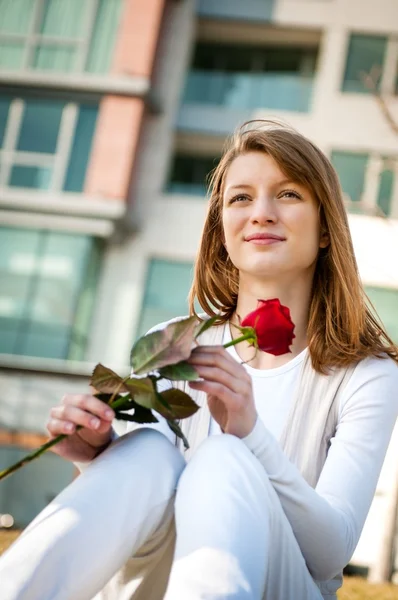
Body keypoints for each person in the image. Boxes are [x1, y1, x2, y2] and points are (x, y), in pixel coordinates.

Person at [1, 120, 398, 600]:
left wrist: (249, 435)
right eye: (241, 198)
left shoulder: (366, 374)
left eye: (289, 194)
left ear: (324, 230)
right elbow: (130, 524)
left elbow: (331, 553)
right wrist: (95, 456)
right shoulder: (171, 345)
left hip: (288, 587)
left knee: (224, 458)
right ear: (224, 235)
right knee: (146, 453)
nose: (262, 213)